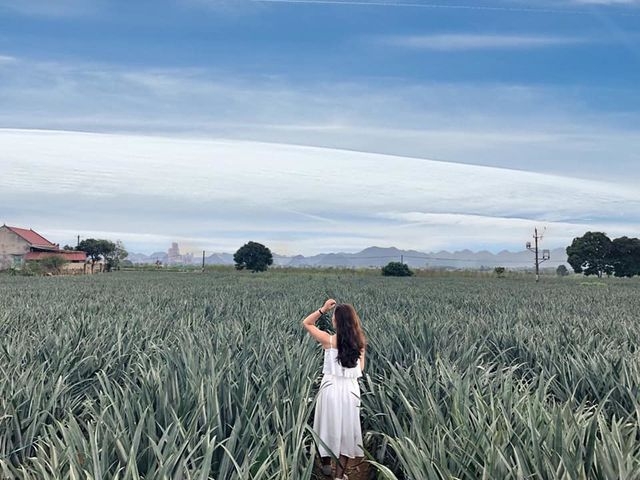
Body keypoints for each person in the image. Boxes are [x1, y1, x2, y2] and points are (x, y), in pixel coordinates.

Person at [302, 299, 367, 480]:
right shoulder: (360, 341)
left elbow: (306, 322)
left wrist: (322, 309)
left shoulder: (328, 340)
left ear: (336, 321)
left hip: (330, 389)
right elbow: (360, 369)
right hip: (350, 391)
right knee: (347, 430)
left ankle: (325, 467)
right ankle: (339, 476)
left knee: (325, 426)